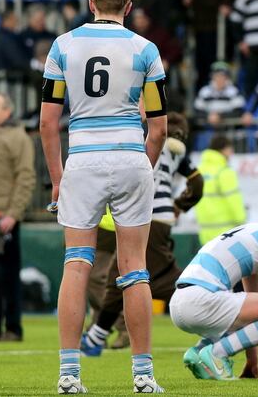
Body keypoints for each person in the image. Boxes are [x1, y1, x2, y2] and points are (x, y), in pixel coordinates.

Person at [40, 0, 168, 394]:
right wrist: (143, 166)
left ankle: (69, 375)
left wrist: (57, 178)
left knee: (76, 264)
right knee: (135, 270)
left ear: (92, 3)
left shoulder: (63, 45)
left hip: (83, 160)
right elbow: (160, 127)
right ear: (128, 7)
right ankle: (143, 376)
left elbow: (47, 122)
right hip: (130, 157)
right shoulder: (145, 49)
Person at [81, 112, 203, 355]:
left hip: (143, 216)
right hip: (161, 219)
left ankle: (214, 304)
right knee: (124, 274)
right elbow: (197, 184)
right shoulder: (177, 152)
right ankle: (96, 337)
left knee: (156, 279)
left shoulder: (143, 140)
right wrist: (178, 206)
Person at [171, 211, 258, 381]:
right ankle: (217, 353)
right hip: (202, 299)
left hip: (179, 302)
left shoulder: (256, 231)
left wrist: (252, 362)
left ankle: (198, 352)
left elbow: (257, 308)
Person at [0, 93, 36, 342]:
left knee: (8, 277)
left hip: (3, 218)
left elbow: (25, 177)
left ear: (7, 111)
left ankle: (12, 328)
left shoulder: (17, 137)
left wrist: (13, 214)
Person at [195, 135, 246, 245]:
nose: (231, 153)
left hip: (205, 232)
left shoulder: (199, 170)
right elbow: (234, 200)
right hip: (226, 233)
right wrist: (242, 221)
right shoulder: (224, 171)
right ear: (224, 149)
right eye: (230, 149)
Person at [194, 61, 246, 128]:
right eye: (217, 76)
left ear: (227, 77)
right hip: (208, 128)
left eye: (223, 76)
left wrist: (220, 116)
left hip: (229, 129)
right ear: (212, 76)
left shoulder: (234, 91)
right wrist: (208, 116)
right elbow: (197, 111)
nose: (220, 79)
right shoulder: (204, 91)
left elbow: (239, 112)